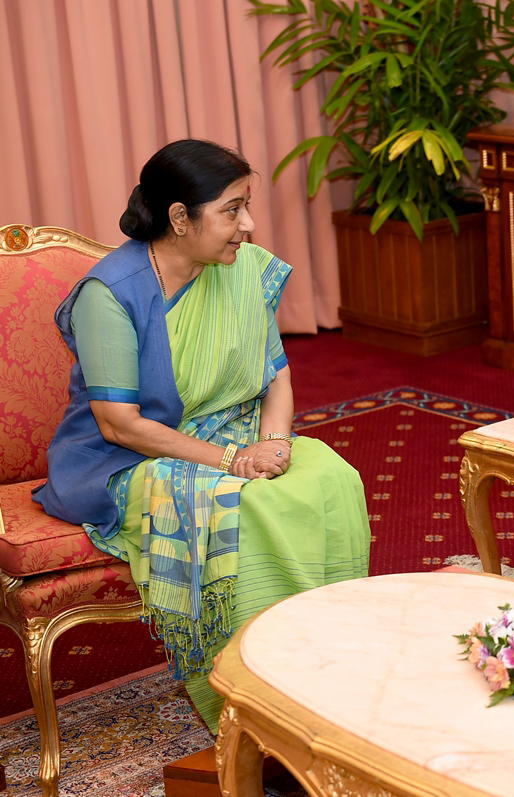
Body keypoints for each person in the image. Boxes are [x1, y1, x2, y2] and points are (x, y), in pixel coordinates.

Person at [33, 139, 371, 732]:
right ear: (180, 218)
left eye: (247, 206)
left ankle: (324, 670)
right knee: (247, 508)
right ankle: (255, 706)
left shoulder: (242, 274)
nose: (250, 225)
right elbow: (120, 423)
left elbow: (277, 377)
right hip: (123, 458)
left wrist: (277, 445)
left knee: (330, 481)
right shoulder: (110, 294)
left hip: (233, 439)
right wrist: (234, 459)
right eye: (232, 210)